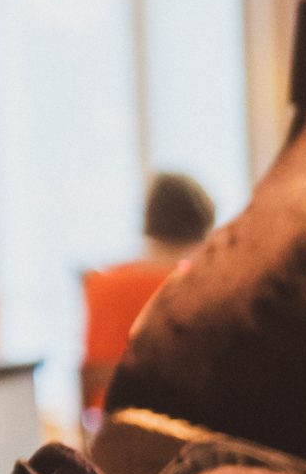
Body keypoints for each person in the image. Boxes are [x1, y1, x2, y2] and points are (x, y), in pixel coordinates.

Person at [79, 170, 213, 422]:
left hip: (111, 427)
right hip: (177, 426)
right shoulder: (195, 282)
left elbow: (88, 374)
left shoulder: (100, 281)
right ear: (201, 225)